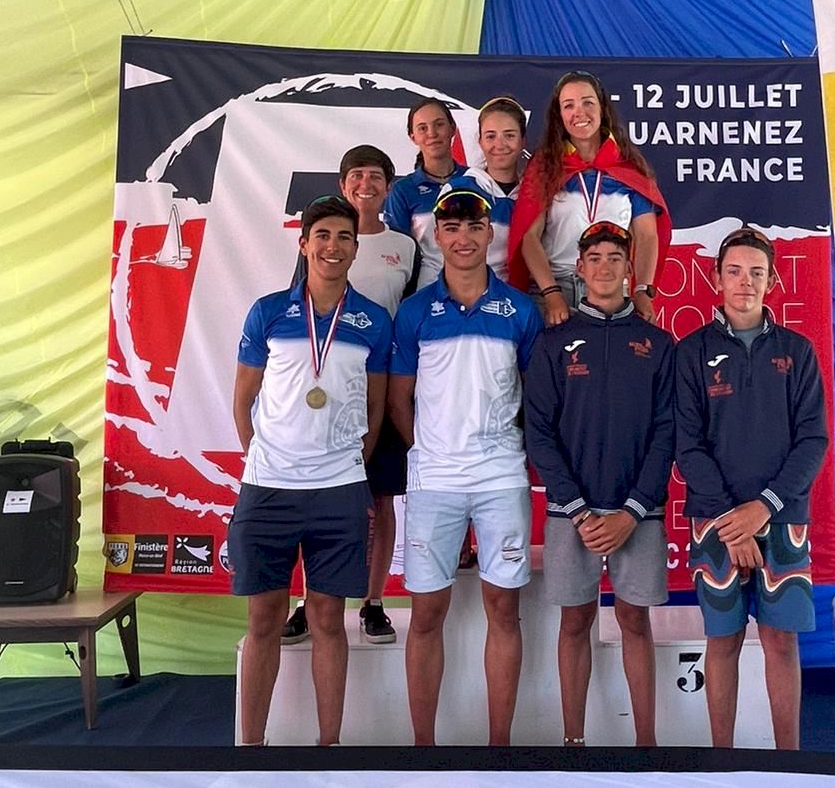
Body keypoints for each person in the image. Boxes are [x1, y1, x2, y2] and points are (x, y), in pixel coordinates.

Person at [229, 195, 392, 746]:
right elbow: (243, 399)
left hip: (338, 491)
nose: (333, 246)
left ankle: (329, 748)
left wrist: (350, 462)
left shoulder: (373, 320)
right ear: (304, 244)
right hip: (268, 489)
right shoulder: (269, 311)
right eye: (322, 235)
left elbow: (375, 406)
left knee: (327, 620)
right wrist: (263, 457)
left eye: (344, 237)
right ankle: (252, 748)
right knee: (264, 621)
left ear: (356, 248)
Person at [388, 186, 542, 745]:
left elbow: (534, 398)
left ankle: (500, 746)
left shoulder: (520, 310)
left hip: (502, 478)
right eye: (451, 228)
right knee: (427, 613)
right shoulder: (414, 312)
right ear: (437, 236)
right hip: (434, 482)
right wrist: (430, 451)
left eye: (474, 227)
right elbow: (398, 401)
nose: (463, 238)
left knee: (504, 609)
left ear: (489, 233)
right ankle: (423, 748)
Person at [674, 227, 828, 751]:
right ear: (716, 277)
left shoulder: (797, 351)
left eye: (756, 273)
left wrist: (765, 507)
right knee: (723, 640)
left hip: (783, 519)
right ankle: (724, 758)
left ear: (772, 281)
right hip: (715, 522)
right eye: (735, 271)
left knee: (781, 641)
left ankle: (790, 761)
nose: (745, 282)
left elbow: (813, 440)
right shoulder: (691, 352)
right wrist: (733, 524)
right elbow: (688, 444)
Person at [525, 221, 675, 747]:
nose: (605, 267)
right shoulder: (553, 343)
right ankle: (573, 742)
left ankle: (646, 744)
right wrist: (579, 510)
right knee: (574, 622)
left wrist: (632, 511)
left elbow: (667, 430)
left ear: (630, 269)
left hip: (640, 512)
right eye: (595, 259)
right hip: (573, 514)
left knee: (634, 621)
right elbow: (538, 431)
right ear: (580, 270)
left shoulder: (658, 343)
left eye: (615, 258)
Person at [282, 147, 417, 648]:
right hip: (326, 388)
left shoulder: (404, 246)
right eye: (356, 175)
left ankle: (374, 602)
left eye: (376, 176)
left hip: (381, 386)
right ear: (343, 184)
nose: (366, 184)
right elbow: (298, 313)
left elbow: (411, 318)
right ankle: (307, 600)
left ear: (389, 187)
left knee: (380, 500)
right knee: (317, 498)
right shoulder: (323, 241)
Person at [507, 70, 671, 326]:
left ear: (602, 107)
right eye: (568, 105)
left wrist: (642, 290)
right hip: (555, 288)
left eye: (587, 102)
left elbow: (648, 235)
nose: (579, 112)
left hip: (612, 290)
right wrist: (551, 293)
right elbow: (529, 237)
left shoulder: (630, 166)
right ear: (559, 115)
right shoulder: (544, 167)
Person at [382, 97, 466, 288]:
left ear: (452, 128)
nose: (432, 133)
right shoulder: (403, 190)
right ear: (413, 137)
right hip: (425, 292)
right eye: (422, 128)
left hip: (475, 289)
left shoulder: (476, 180)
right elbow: (398, 251)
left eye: (439, 124)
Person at [463, 95, 527, 280]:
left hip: (526, 294)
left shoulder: (536, 194)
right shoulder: (459, 190)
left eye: (509, 135)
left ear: (523, 140)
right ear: (480, 141)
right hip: (474, 293)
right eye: (491, 136)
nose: (500, 144)